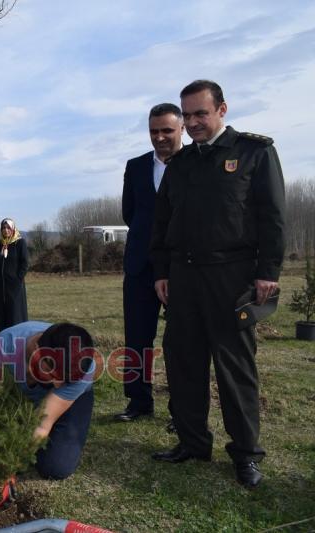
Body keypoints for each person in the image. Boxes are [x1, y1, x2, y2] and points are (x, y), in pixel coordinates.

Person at [150, 80, 285, 489]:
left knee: (234, 369)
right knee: (184, 362)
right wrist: (161, 272)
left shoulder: (253, 153)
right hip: (185, 278)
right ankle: (193, 443)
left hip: (232, 277)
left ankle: (245, 454)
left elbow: (272, 217)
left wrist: (268, 272)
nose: (191, 123)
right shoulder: (181, 165)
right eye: (186, 115)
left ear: (222, 110)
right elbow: (163, 223)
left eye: (199, 114)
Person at [114, 103, 184, 425]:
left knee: (182, 341)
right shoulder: (136, 166)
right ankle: (138, 401)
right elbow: (130, 213)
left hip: (182, 266)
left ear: (180, 129)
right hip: (140, 265)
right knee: (138, 338)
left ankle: (182, 410)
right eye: (154, 131)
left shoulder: (194, 164)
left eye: (167, 131)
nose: (160, 137)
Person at [0, 322, 96, 480]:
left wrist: (12, 466)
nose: (58, 385)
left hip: (68, 401)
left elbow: (42, 424)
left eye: (65, 380)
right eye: (53, 375)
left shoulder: (81, 368)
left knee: (56, 467)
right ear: (37, 351)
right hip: (15, 399)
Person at [0, 218, 28, 331]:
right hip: (0, 283)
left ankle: (16, 328)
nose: (6, 230)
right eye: (3, 228)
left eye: (8, 228)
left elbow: (25, 263)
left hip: (14, 283)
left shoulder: (19, 242)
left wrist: (18, 278)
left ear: (13, 229)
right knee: (2, 305)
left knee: (14, 306)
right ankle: (3, 328)